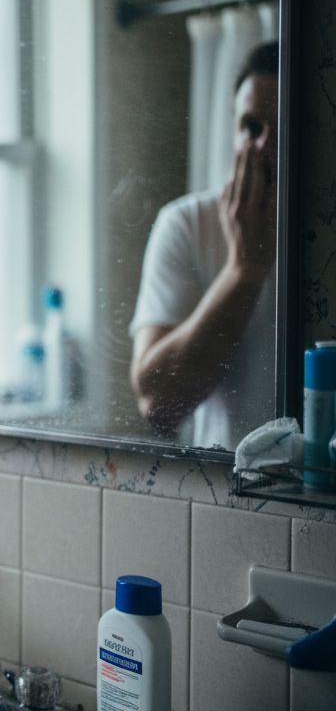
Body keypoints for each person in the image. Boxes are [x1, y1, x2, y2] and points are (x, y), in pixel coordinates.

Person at [129, 41, 278, 449]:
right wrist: (243, 270)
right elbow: (157, 406)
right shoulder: (187, 225)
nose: (262, 145)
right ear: (231, 130)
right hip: (225, 498)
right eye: (251, 126)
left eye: (284, 128)